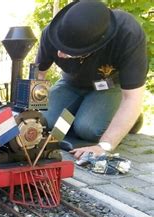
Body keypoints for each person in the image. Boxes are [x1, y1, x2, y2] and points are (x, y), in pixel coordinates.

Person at [35, 0, 148, 159]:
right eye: (58, 45)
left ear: (93, 48)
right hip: (70, 83)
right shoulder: (52, 32)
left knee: (89, 130)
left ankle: (131, 119)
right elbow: (39, 75)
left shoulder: (128, 33)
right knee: (46, 122)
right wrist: (31, 116)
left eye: (68, 51)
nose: (59, 53)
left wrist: (104, 146)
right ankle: (78, 114)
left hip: (107, 85)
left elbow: (132, 97)